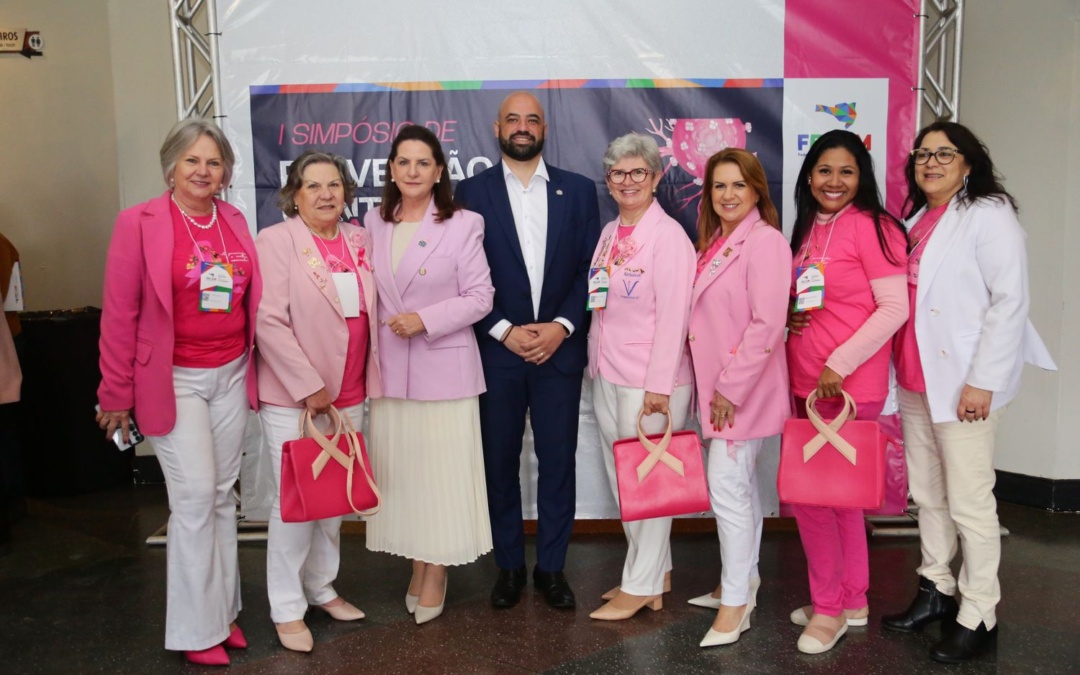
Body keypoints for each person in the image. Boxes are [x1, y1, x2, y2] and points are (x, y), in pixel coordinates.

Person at [883, 122, 1056, 663]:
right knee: (928, 495)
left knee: (971, 503)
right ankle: (936, 589)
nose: (930, 163)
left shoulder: (989, 214)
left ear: (968, 162)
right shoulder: (917, 219)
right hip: (916, 381)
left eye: (943, 153)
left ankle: (979, 611)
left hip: (963, 385)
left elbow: (1009, 302)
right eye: (922, 155)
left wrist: (982, 381)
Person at [96, 118, 261, 666]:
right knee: (192, 499)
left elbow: (247, 302)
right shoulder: (137, 223)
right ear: (171, 166)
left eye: (213, 162)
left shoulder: (233, 219)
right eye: (192, 160)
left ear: (226, 172)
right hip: (173, 380)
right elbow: (120, 313)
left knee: (220, 497)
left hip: (232, 372)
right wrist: (114, 393)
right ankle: (195, 631)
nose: (202, 171)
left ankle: (223, 613)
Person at [454, 91, 601, 610]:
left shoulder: (579, 192)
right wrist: (501, 330)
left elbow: (592, 270)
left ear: (545, 128)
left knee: (558, 462)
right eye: (513, 119)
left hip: (558, 354)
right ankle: (510, 567)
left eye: (531, 119)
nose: (522, 127)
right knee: (499, 464)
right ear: (497, 127)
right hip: (496, 354)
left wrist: (562, 325)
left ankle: (552, 569)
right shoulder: (468, 194)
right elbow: (458, 277)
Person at [364, 125, 495, 625]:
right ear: (391, 170)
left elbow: (481, 297)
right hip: (391, 375)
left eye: (423, 163)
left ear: (439, 171)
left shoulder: (462, 224)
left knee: (440, 476)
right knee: (406, 477)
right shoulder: (372, 224)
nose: (412, 171)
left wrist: (425, 320)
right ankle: (417, 562)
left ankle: (437, 569)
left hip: (445, 371)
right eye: (403, 162)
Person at [784, 129, 908, 654]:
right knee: (839, 503)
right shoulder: (811, 227)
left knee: (819, 501)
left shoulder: (875, 228)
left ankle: (828, 610)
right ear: (809, 175)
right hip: (806, 383)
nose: (834, 181)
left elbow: (894, 308)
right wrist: (794, 316)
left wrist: (839, 362)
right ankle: (851, 598)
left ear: (862, 178)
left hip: (848, 387)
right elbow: (819, 298)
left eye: (846, 171)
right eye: (825, 170)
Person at [255, 151, 382, 652]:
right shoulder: (277, 240)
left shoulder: (357, 238)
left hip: (349, 390)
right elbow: (268, 321)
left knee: (333, 501)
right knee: (296, 506)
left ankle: (321, 586)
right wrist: (309, 386)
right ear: (294, 193)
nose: (326, 194)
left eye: (334, 185)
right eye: (314, 186)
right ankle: (286, 608)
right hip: (297, 397)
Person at [586, 132, 695, 621]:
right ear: (608, 180)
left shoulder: (668, 237)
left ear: (655, 177)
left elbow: (675, 315)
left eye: (637, 172)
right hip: (609, 370)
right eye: (617, 173)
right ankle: (658, 571)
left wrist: (658, 386)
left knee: (648, 483)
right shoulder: (611, 232)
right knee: (625, 478)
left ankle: (642, 583)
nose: (627, 181)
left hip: (653, 382)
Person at [686, 149, 792, 646]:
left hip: (739, 393)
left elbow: (768, 323)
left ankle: (735, 605)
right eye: (719, 186)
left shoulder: (765, 242)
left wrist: (729, 388)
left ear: (756, 191)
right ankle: (742, 582)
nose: (727, 195)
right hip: (718, 392)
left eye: (737, 186)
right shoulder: (715, 243)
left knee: (728, 492)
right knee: (740, 491)